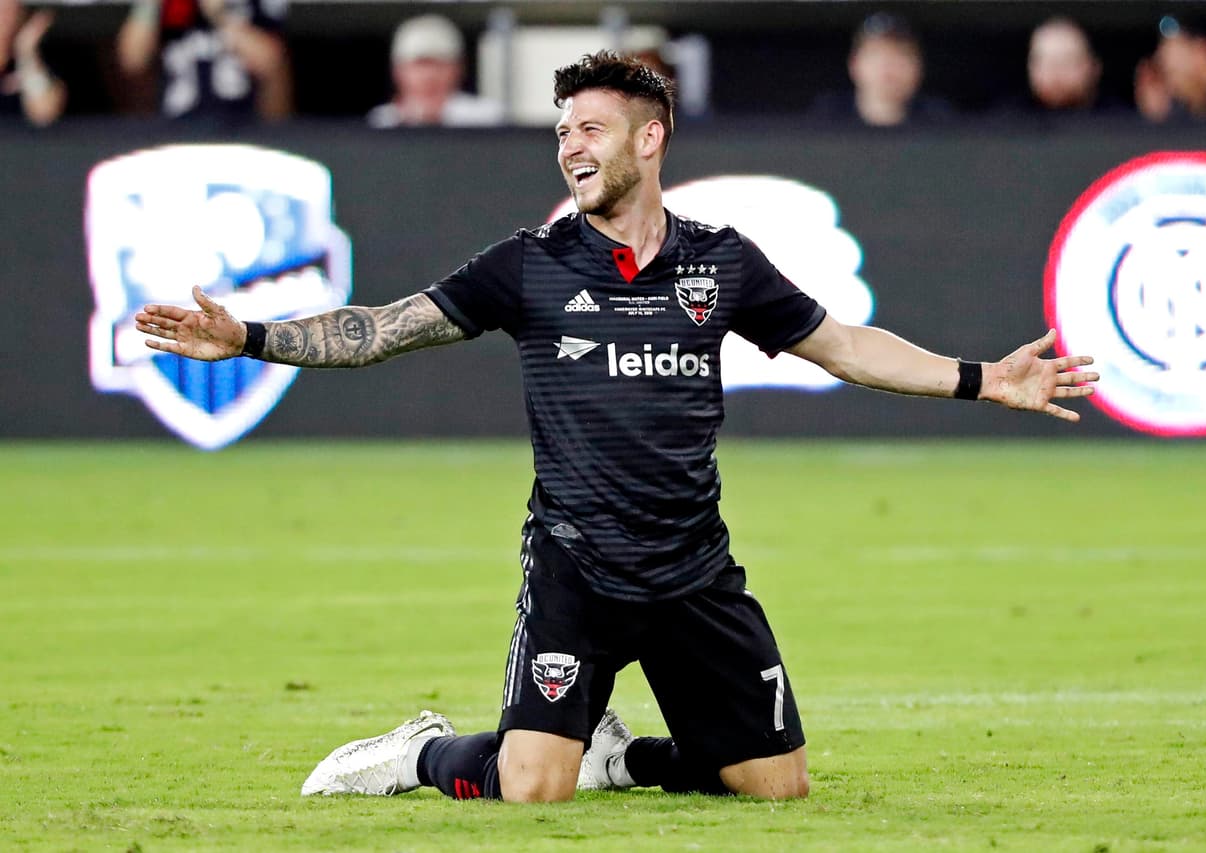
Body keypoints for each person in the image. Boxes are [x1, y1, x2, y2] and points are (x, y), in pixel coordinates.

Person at [135, 51, 1097, 804]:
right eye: (562, 132)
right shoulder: (530, 265)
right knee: (527, 786)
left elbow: (845, 346)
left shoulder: (721, 265)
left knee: (777, 786)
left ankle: (621, 756)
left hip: (693, 572)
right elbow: (383, 329)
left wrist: (984, 380)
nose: (570, 146)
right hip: (577, 568)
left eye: (591, 128)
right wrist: (252, 336)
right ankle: (420, 753)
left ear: (651, 138)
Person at [116, 0, 292, 121]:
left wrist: (221, 15)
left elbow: (270, 62)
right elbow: (132, 60)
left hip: (240, 126)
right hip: (176, 128)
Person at [809, 12, 950, 126]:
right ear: (854, 64)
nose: (888, 66)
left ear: (919, 66)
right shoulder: (826, 120)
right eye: (876, 54)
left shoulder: (939, 123)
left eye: (901, 54)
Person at [367, 14, 502, 129]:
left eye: (439, 64)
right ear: (398, 71)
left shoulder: (486, 118)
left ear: (459, 68)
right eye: (420, 65)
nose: (429, 76)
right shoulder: (382, 121)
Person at [1011, 16, 1124, 116]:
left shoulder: (1119, 121)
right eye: (1044, 62)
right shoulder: (1009, 123)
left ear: (1094, 67)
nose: (1055, 73)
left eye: (1067, 61)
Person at [0, 0, 66, 126]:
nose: (4, 17)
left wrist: (26, 52)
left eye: (10, 10)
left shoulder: (40, 58)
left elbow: (44, 114)